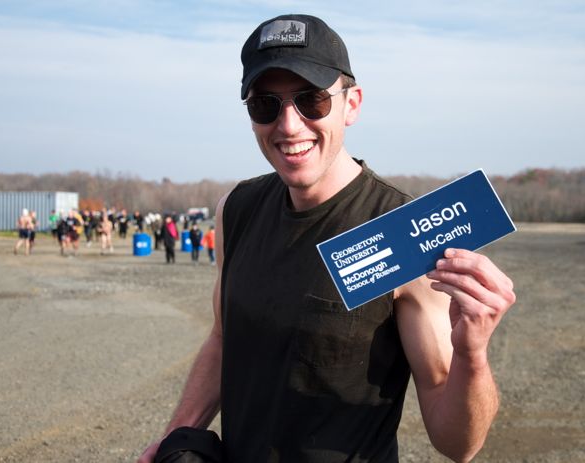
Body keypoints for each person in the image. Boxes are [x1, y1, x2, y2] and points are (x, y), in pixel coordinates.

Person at [139, 14, 515, 463]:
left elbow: (459, 444)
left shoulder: (405, 234)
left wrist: (471, 355)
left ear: (351, 104)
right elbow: (223, 339)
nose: (289, 126)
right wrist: (176, 435)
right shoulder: (235, 210)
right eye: (266, 105)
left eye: (311, 100)